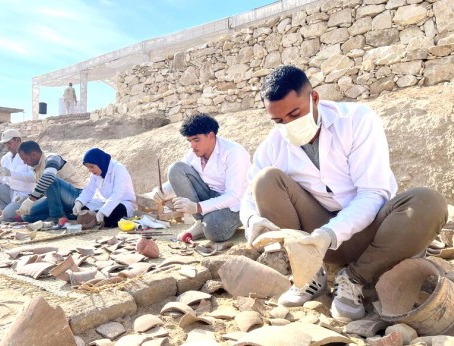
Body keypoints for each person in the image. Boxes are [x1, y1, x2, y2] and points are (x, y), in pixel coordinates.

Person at [240, 65, 447, 322]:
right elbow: (248, 195)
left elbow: (373, 192)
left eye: (295, 114)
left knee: (428, 202)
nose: (288, 126)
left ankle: (354, 279)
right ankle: (308, 274)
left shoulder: (356, 120)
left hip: (370, 233)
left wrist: (330, 233)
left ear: (314, 98)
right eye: (279, 121)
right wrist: (251, 219)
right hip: (315, 238)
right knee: (265, 180)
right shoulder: (272, 145)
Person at [152, 113, 251, 243]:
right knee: (176, 168)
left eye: (196, 140)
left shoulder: (234, 152)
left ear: (210, 136)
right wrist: (160, 191)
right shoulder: (193, 153)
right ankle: (201, 222)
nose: (192, 146)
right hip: (209, 198)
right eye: (190, 141)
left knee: (214, 230)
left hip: (235, 206)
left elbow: (234, 196)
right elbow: (179, 177)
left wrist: (197, 207)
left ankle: (209, 223)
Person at [17, 140, 87, 223]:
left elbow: (49, 178)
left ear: (33, 154)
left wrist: (31, 199)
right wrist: (26, 200)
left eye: (25, 159)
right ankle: (69, 215)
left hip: (76, 195)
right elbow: (45, 191)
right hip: (58, 201)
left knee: (49, 179)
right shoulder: (36, 167)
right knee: (26, 215)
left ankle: (57, 217)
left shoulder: (52, 158)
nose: (24, 162)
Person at [0, 129, 35, 221]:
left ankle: (10, 213)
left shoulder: (30, 154)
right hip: (10, 192)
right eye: (5, 144)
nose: (7, 146)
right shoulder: (5, 158)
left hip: (25, 195)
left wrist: (11, 173)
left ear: (18, 140)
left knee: (7, 215)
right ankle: (9, 212)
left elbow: (34, 178)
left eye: (9, 143)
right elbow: (3, 180)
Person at [71, 148, 136, 228]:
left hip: (123, 203)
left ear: (99, 162)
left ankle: (96, 218)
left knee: (116, 213)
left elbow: (117, 195)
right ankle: (96, 218)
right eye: (88, 168)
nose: (90, 170)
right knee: (83, 209)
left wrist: (103, 212)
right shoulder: (95, 173)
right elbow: (89, 190)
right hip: (105, 202)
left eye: (92, 167)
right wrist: (79, 203)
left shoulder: (119, 169)